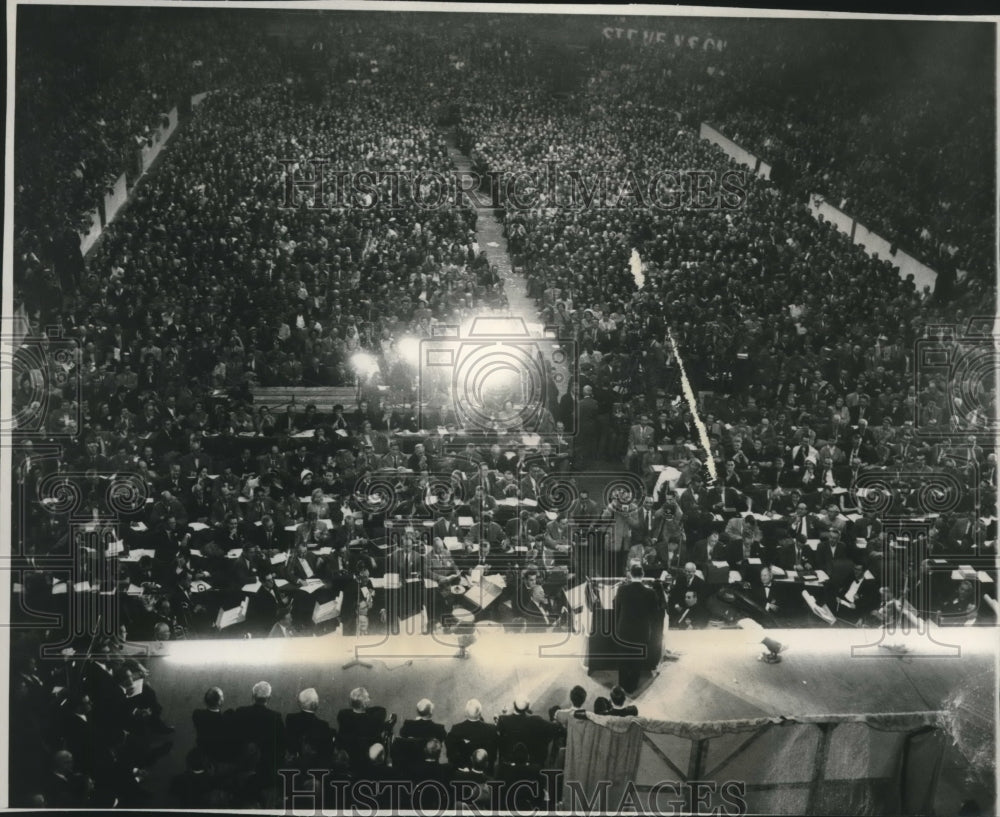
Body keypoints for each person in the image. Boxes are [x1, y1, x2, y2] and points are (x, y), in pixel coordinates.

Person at [612, 563, 661, 693]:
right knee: (637, 660)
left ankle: (622, 686)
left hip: (624, 630)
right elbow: (655, 614)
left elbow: (616, 610)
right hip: (642, 631)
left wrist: (618, 625)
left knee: (623, 658)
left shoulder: (621, 590)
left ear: (630, 575)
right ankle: (632, 686)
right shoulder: (650, 592)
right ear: (643, 575)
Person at [232, 681, 285, 781]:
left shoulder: (240, 712)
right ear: (269, 698)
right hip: (266, 768)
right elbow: (281, 744)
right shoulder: (275, 717)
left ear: (253, 696)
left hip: (241, 765)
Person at [285, 688, 335, 766]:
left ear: (300, 703)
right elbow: (327, 752)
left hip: (294, 765)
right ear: (316, 705)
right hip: (316, 767)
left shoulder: (291, 719)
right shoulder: (323, 725)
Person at [446, 699, 499, 773]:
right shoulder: (492, 729)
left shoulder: (456, 729)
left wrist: (463, 767)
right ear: (480, 713)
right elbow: (493, 756)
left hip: (462, 774)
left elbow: (451, 755)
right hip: (485, 773)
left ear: (466, 713)